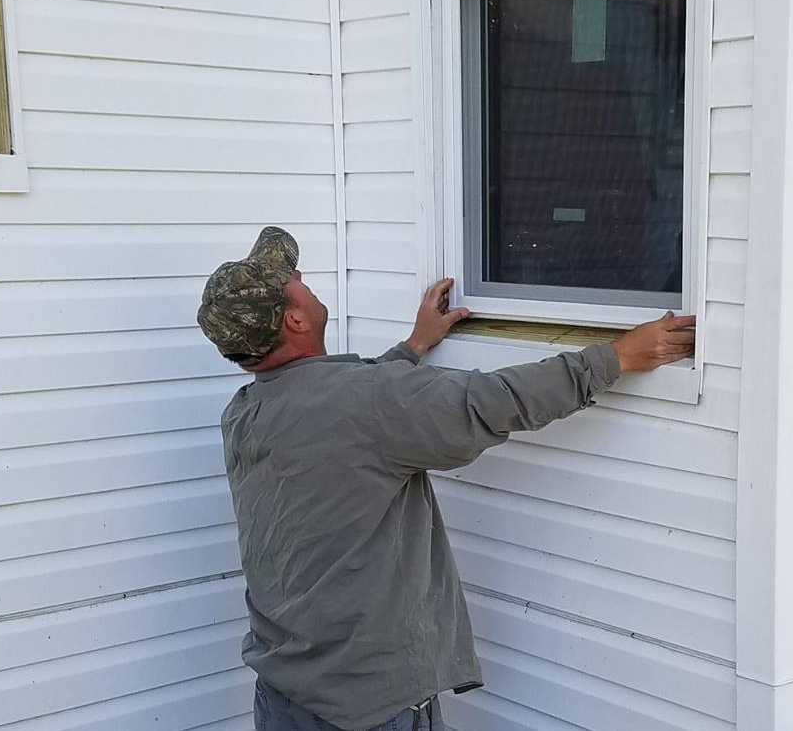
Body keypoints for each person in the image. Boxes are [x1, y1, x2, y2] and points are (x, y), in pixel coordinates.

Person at [198, 226, 696, 731]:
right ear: (296, 317)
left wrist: (412, 347)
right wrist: (615, 357)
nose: (301, 276)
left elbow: (347, 412)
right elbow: (495, 400)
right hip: (364, 706)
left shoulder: (246, 412)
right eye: (291, 280)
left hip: (284, 693)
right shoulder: (367, 402)